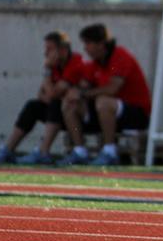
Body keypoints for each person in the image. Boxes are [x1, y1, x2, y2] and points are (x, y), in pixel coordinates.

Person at [0, 31, 83, 165]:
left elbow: (51, 95)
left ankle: (43, 152)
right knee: (33, 106)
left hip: (77, 115)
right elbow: (41, 94)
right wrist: (51, 93)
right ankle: (8, 150)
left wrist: (47, 71)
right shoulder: (55, 66)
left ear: (63, 50)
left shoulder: (75, 63)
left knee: (55, 104)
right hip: (59, 112)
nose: (46, 53)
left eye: (49, 49)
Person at [58, 24, 151, 167]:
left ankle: (110, 151)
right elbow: (83, 85)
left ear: (101, 44)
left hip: (135, 114)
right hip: (106, 114)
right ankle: (80, 150)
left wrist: (82, 93)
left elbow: (112, 89)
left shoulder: (119, 57)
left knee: (104, 101)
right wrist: (75, 92)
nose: (85, 48)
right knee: (69, 104)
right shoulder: (96, 63)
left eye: (88, 43)